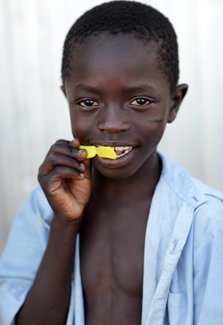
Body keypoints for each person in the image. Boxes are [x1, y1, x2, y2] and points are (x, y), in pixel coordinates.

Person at [1, 1, 223, 324]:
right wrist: (65, 224)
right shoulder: (43, 209)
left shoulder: (208, 222)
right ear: (67, 99)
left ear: (173, 104)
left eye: (139, 101)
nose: (112, 124)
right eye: (88, 102)